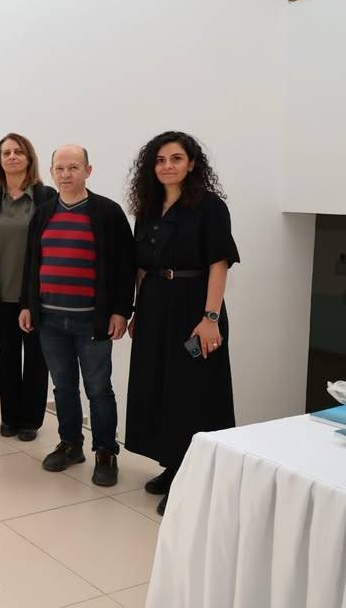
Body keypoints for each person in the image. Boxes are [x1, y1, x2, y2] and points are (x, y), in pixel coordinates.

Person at [124, 132, 239, 515]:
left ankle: (191, 478)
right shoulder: (148, 207)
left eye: (176, 158)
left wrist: (210, 318)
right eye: (160, 160)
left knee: (191, 392)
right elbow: (142, 267)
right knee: (158, 386)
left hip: (194, 307)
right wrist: (138, 312)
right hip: (156, 305)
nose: (167, 166)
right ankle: (173, 466)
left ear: (191, 163)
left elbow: (218, 264)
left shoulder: (210, 207)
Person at [18, 145, 134, 487]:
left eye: (73, 167)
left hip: (91, 322)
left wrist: (121, 311)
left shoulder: (108, 213)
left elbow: (126, 268)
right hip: (50, 320)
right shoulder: (43, 213)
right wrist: (27, 305)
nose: (66, 174)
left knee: (98, 389)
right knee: (64, 387)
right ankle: (71, 444)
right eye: (60, 168)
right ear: (52, 171)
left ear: (88, 171)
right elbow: (31, 264)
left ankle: (106, 451)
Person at [0, 133, 56, 441]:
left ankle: (30, 420)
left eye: (17, 152)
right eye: (6, 153)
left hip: (35, 296)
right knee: (7, 358)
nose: (11, 157)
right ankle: (9, 416)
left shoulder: (46, 196)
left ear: (29, 158)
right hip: (1, 293)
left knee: (36, 360)